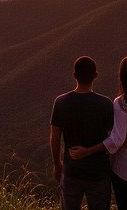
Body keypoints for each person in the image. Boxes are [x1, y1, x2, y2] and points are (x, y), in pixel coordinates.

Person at [70, 56, 127, 210]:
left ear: (123, 79)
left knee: (125, 205)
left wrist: (87, 151)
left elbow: (117, 140)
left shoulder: (120, 103)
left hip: (125, 166)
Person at [49, 56, 116, 210]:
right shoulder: (105, 104)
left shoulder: (61, 102)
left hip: (72, 170)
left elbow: (55, 138)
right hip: (99, 172)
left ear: (74, 75)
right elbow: (114, 139)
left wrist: (57, 164)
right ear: (96, 75)